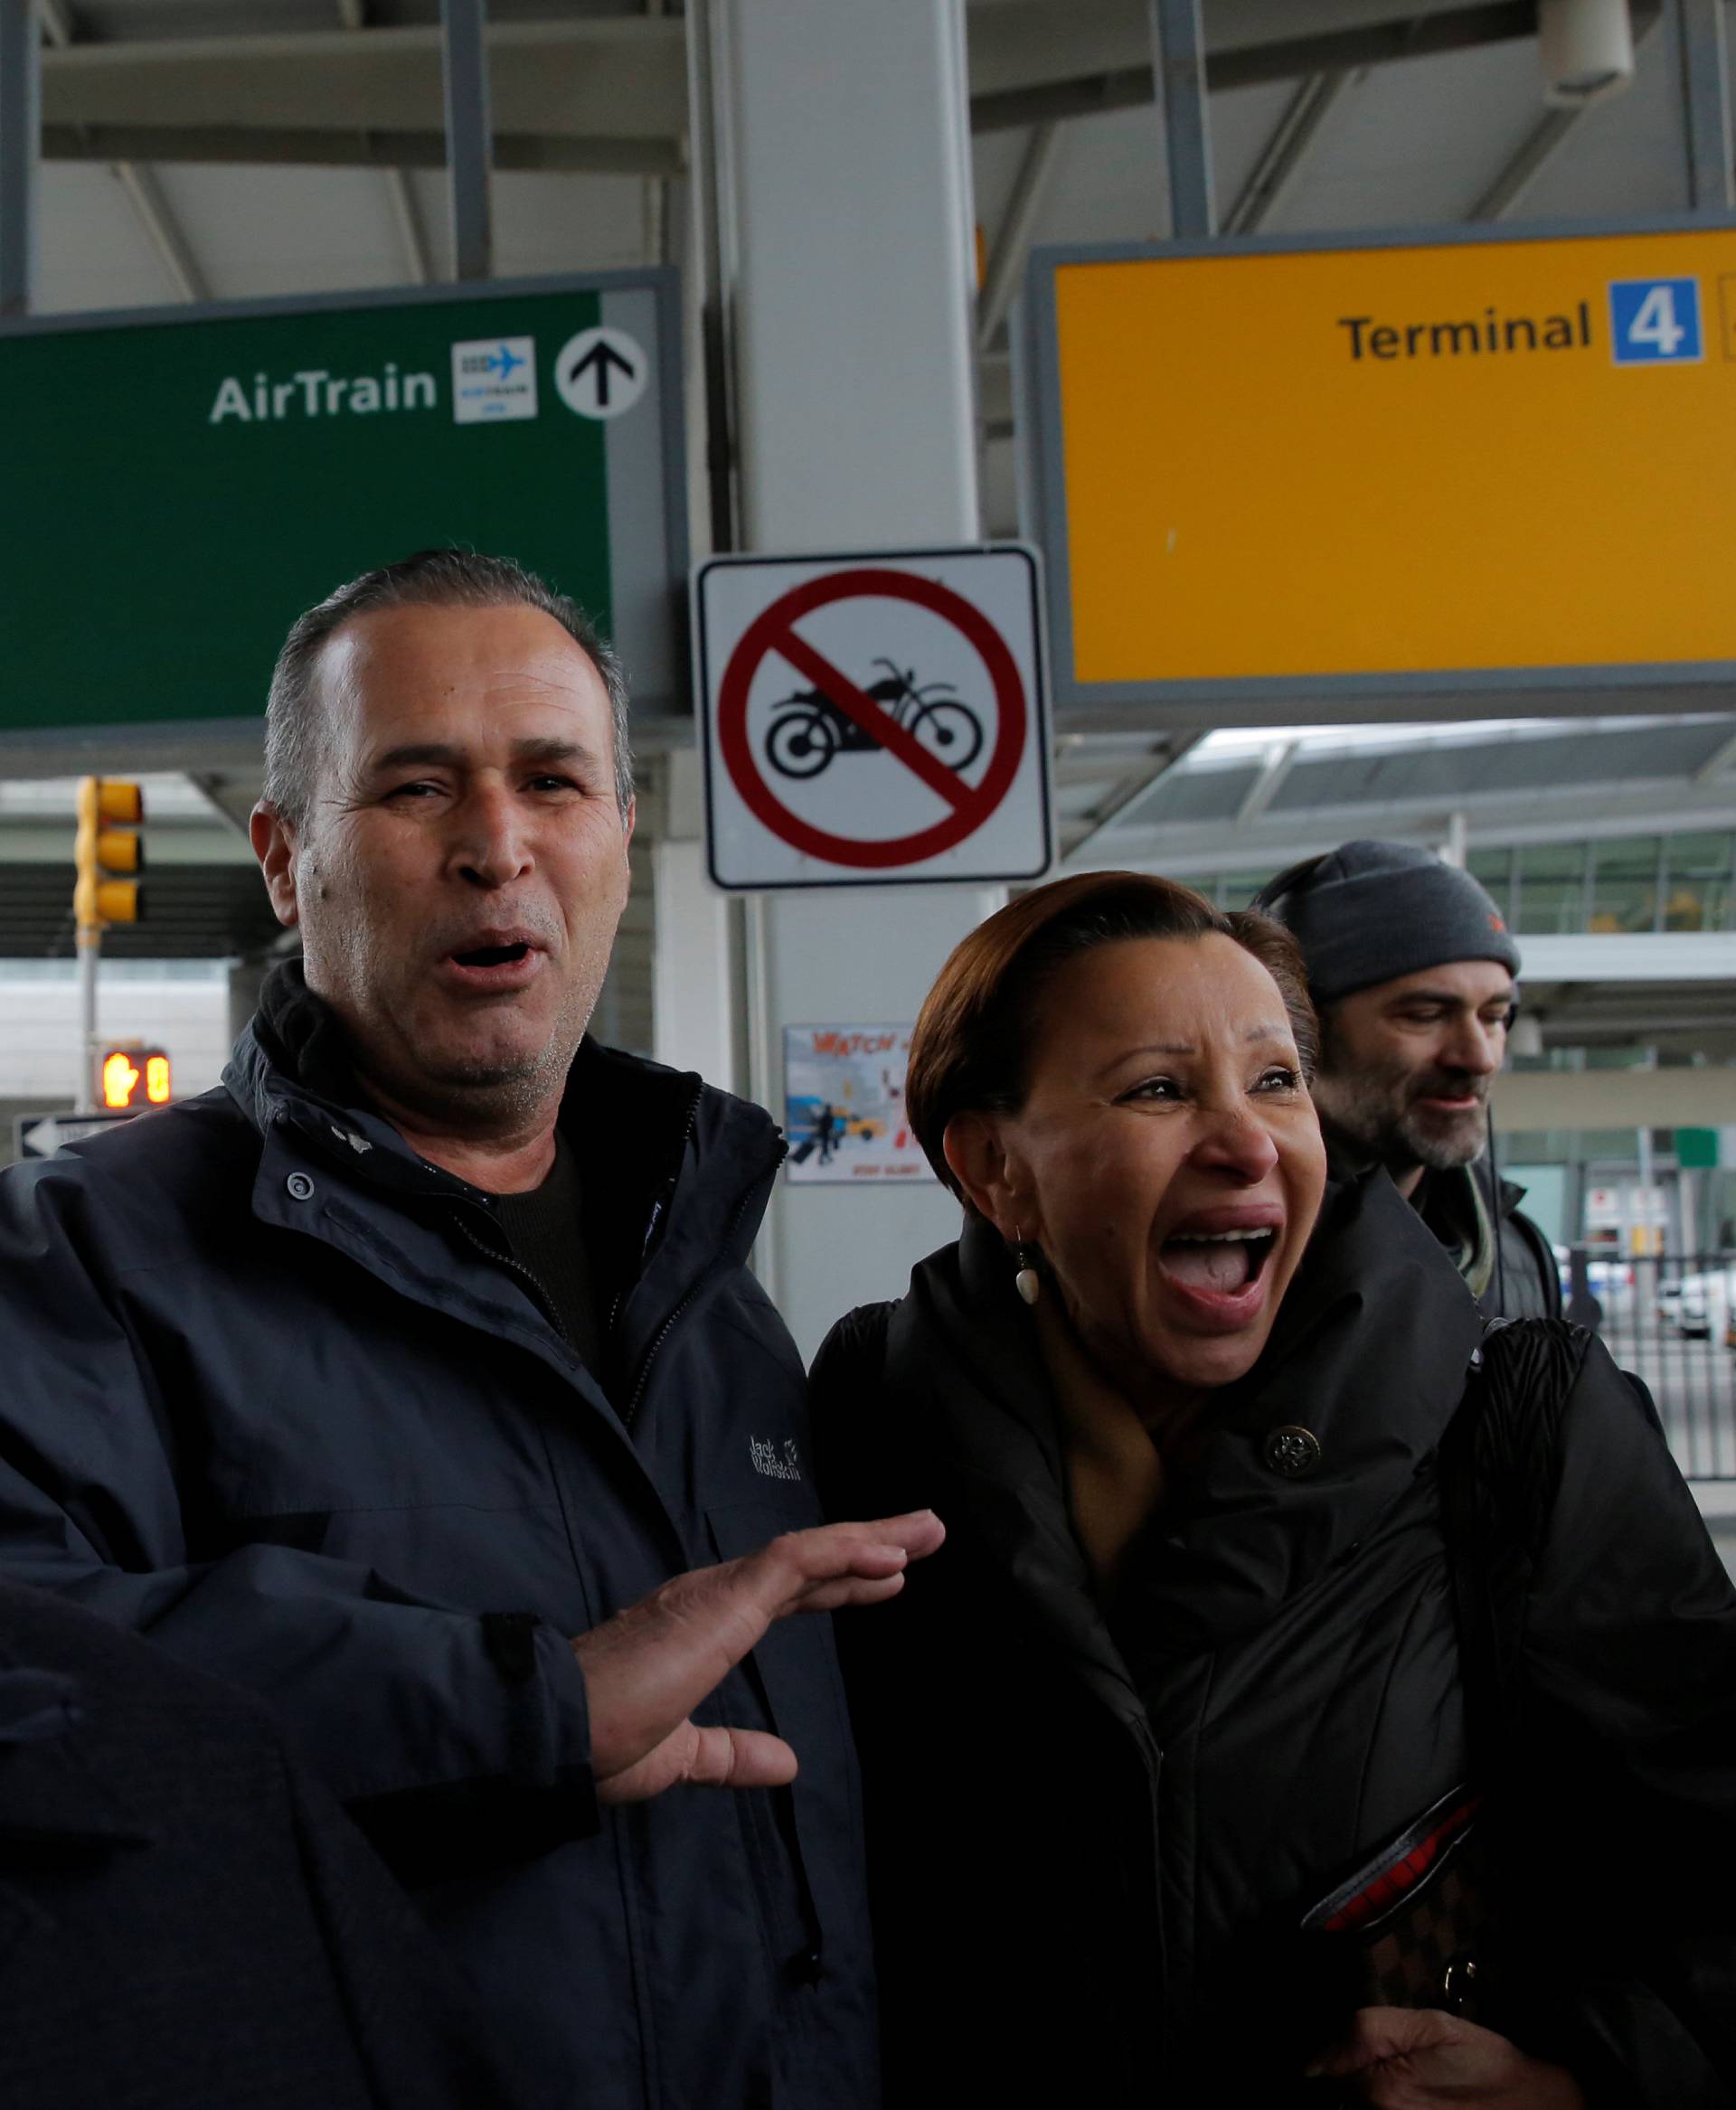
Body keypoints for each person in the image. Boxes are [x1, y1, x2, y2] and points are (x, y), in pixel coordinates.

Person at [0, 550, 941, 2109]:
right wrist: (528, 1709)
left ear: (621, 843)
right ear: (289, 858)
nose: (497, 845)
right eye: (417, 788)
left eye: (554, 780)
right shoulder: (91, 1253)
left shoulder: (710, 1279)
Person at [811, 871, 1736, 2107]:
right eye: (1156, 1087)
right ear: (995, 1168)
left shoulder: (1522, 1422)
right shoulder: (873, 1416)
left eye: (1275, 1081)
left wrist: (1583, 2071)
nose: (1245, 1141)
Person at [1252, 840, 1560, 1320]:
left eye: (1495, 1016)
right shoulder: (1224, 1260)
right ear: (1304, 1030)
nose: (1477, 1057)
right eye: (1426, 1015)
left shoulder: (1520, 1261)